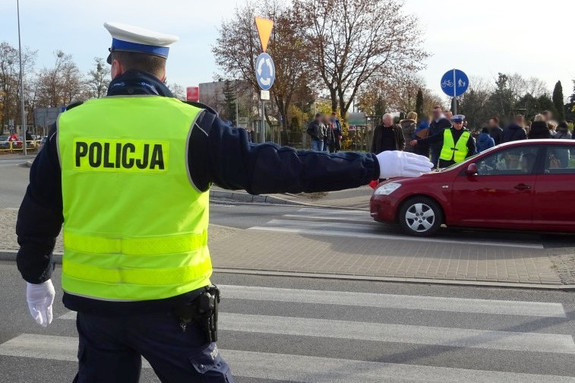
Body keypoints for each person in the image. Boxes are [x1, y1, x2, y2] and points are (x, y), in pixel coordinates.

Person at [16, 22, 433, 383]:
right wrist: (370, 164)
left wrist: (36, 275)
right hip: (171, 308)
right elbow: (281, 167)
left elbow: (40, 208)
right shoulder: (192, 127)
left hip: (97, 310)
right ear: (163, 70)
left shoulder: (70, 127)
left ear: (116, 66)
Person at [411, 114, 476, 168]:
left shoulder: (467, 134)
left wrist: (466, 160)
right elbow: (432, 138)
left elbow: (472, 149)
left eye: (460, 123)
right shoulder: (446, 131)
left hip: (459, 163)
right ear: (453, 123)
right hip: (445, 161)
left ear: (462, 123)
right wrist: (418, 141)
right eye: (457, 123)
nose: (458, 125)